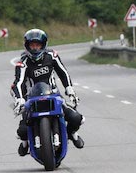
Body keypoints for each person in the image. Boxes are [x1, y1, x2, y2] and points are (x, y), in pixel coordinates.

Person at [11, 28, 85, 156]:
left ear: (43, 45)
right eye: (32, 45)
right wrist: (20, 99)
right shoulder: (22, 63)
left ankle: (72, 133)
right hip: (32, 99)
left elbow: (63, 73)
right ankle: (25, 143)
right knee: (22, 131)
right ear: (27, 46)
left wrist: (70, 90)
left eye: (37, 45)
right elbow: (18, 82)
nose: (35, 48)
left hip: (54, 95)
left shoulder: (52, 56)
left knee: (76, 118)